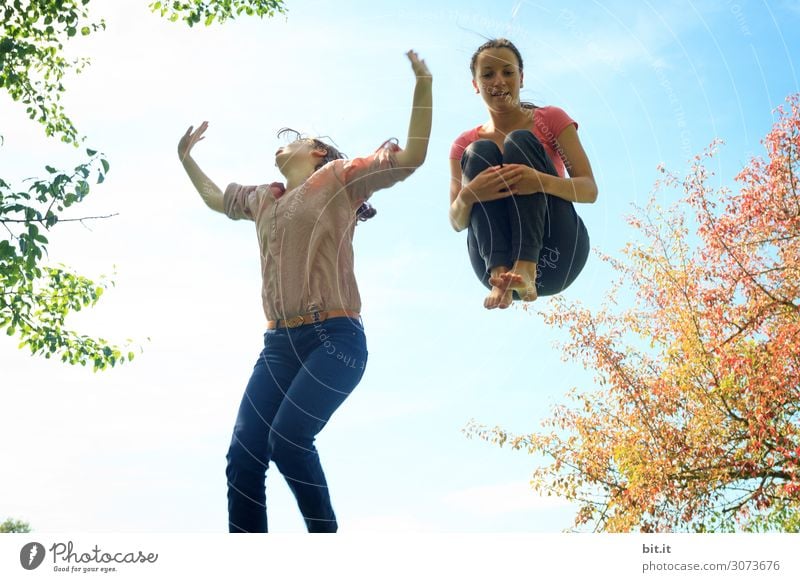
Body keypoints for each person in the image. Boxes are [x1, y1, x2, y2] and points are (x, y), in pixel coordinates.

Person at [177, 50, 432, 533]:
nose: (283, 142)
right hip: (278, 347)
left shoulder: (338, 181)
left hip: (334, 339)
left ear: (317, 152)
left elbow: (412, 157)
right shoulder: (263, 199)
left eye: (296, 138)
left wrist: (424, 85)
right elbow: (216, 199)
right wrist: (186, 159)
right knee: (244, 454)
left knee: (288, 440)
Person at [449, 38, 597, 309]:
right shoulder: (463, 144)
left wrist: (539, 181)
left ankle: (526, 268)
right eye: (488, 74)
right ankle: (501, 274)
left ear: (521, 77)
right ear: (475, 85)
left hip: (557, 253)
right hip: (491, 262)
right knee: (479, 150)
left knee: (519, 141)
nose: (499, 80)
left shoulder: (549, 119)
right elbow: (457, 221)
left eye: (508, 72)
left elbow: (589, 190)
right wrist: (470, 195)